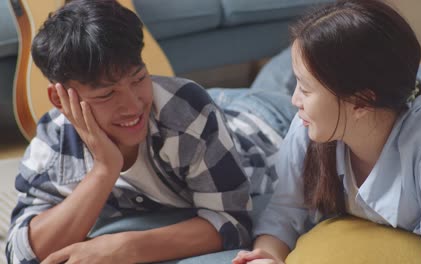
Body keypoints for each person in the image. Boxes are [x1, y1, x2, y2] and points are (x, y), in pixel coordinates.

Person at [5, 1, 298, 263]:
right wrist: (104, 169)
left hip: (261, 122)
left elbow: (233, 222)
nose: (132, 105)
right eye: (107, 95)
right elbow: (22, 252)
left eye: (139, 78)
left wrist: (123, 247)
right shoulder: (54, 140)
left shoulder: (188, 112)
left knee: (304, 67)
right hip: (207, 109)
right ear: (61, 99)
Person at [232, 0, 421, 263]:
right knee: (260, 89)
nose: (295, 99)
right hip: (259, 111)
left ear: (361, 101)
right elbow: (283, 214)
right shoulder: (306, 125)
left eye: (306, 90)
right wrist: (267, 256)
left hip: (268, 119)